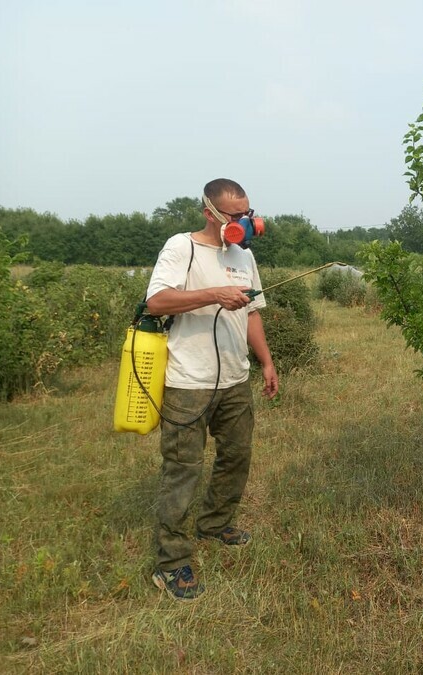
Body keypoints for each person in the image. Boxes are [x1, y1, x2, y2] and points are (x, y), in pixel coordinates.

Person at [144, 178, 278, 601]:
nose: (246, 223)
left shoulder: (244, 254)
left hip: (235, 379)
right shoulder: (181, 247)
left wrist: (267, 361)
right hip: (189, 382)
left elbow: (252, 313)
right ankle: (171, 563)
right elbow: (157, 301)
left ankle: (216, 523)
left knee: (237, 455)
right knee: (183, 471)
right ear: (210, 213)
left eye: (248, 214)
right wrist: (213, 295)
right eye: (236, 217)